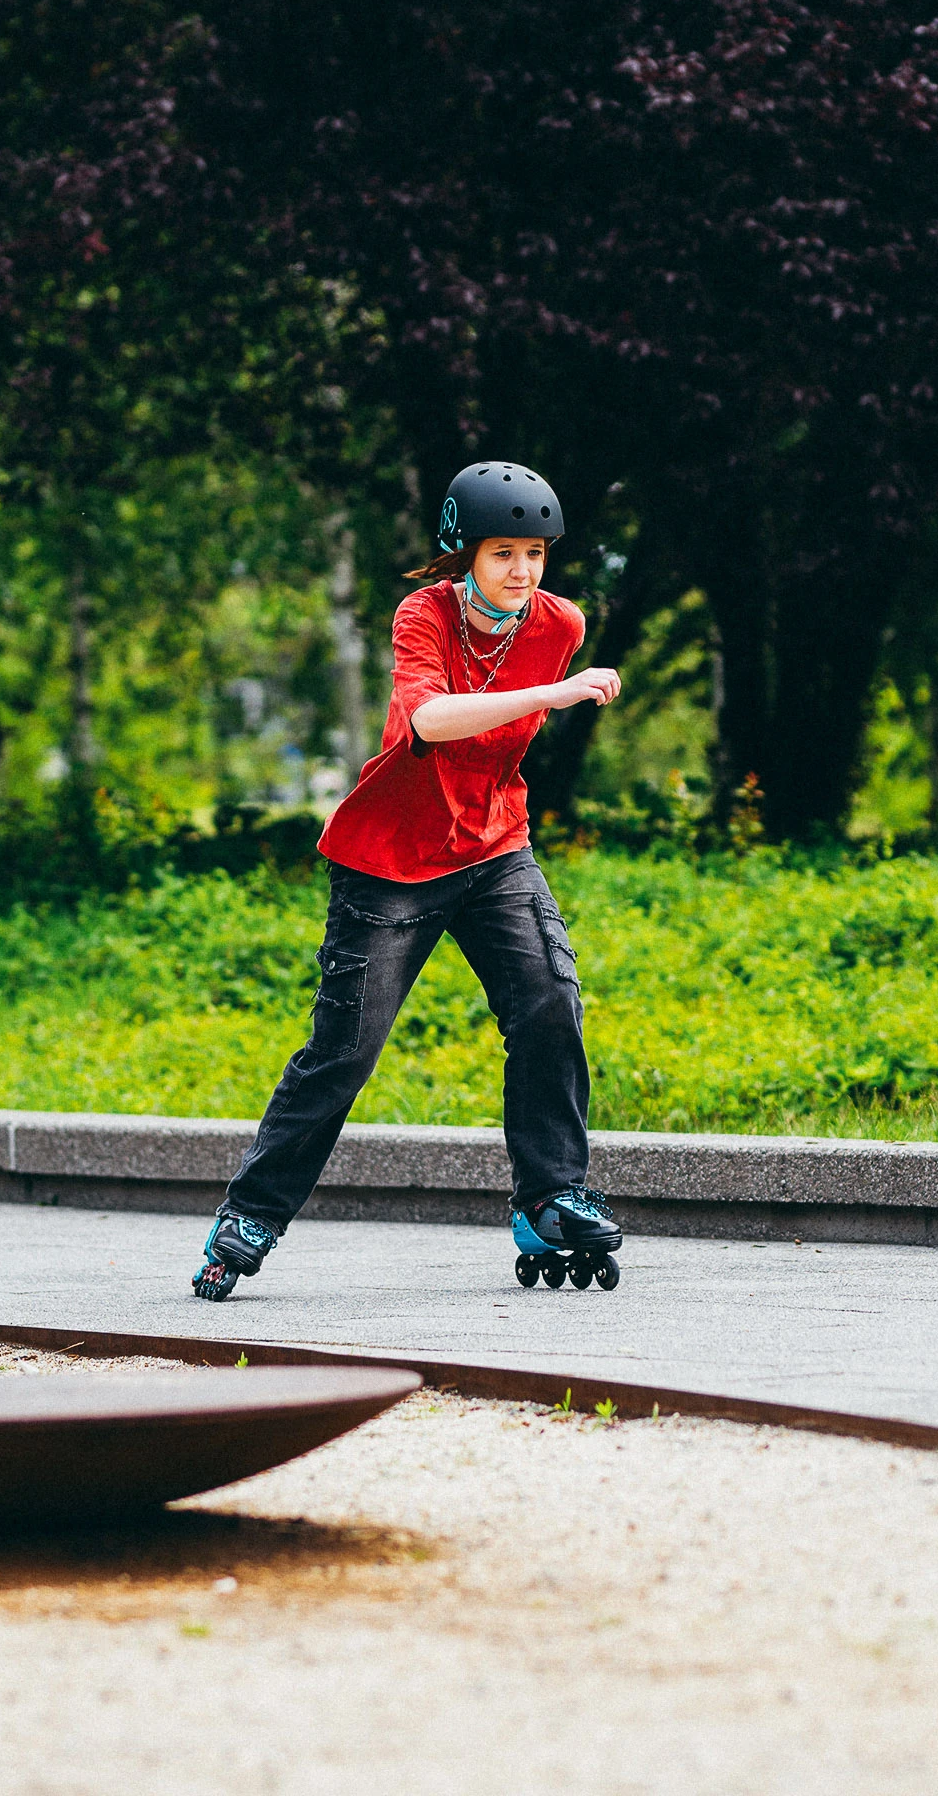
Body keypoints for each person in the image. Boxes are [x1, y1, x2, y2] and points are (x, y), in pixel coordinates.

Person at [191, 461, 627, 1301]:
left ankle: (549, 1197)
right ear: (464, 552)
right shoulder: (422, 615)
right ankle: (250, 1212)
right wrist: (559, 691)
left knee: (548, 1005)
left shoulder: (557, 623)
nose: (523, 573)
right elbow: (429, 720)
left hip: (495, 846)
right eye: (505, 553)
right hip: (388, 863)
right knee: (345, 1051)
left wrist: (553, 677)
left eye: (536, 554)